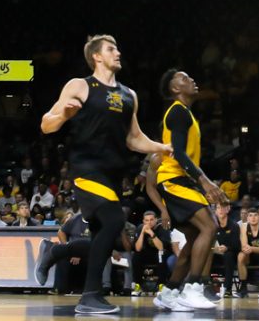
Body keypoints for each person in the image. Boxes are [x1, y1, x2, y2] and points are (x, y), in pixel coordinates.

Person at [37, 34, 171, 315]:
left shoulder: (128, 95)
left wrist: (162, 147)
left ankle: (56, 252)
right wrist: (64, 116)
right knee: (114, 220)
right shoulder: (80, 86)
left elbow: (134, 139)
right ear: (96, 56)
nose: (118, 53)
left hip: (112, 174)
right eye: (111, 49)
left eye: (118, 48)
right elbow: (46, 125)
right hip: (86, 169)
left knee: (107, 239)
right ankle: (90, 296)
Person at [151, 68, 228, 311]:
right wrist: (205, 181)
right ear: (175, 89)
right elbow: (180, 154)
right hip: (174, 179)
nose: (192, 79)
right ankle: (193, 287)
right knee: (210, 226)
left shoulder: (185, 113)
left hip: (182, 180)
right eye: (184, 79)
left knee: (195, 237)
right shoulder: (177, 112)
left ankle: (170, 292)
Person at [203, 202, 240, 299]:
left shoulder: (234, 225)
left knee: (228, 256)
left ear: (227, 209)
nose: (220, 210)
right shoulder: (211, 225)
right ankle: (207, 286)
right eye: (218, 208)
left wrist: (227, 248)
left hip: (230, 254)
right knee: (207, 255)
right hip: (215, 253)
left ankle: (227, 289)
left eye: (223, 208)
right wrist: (214, 248)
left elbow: (237, 245)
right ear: (215, 211)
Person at [237, 208, 259, 297]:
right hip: (249, 255)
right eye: (250, 215)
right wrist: (248, 249)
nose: (253, 218)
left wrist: (251, 248)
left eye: (255, 215)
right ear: (247, 218)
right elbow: (244, 246)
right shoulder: (244, 227)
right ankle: (243, 286)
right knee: (241, 256)